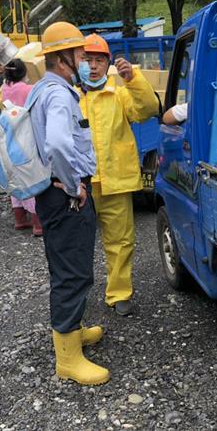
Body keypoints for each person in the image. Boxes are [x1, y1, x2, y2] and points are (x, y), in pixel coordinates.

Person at [29, 21, 108, 386]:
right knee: (73, 272)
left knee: (67, 263)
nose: (84, 61)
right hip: (65, 195)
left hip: (51, 192)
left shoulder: (42, 90)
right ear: (62, 58)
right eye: (79, 54)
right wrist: (75, 186)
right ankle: (68, 359)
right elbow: (59, 145)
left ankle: (72, 331)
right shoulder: (60, 95)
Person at [77, 34, 160, 316]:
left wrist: (133, 79)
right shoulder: (69, 97)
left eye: (99, 60)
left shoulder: (119, 93)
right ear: (77, 62)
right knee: (76, 244)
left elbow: (149, 109)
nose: (93, 66)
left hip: (115, 181)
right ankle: (75, 299)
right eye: (87, 60)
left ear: (107, 64)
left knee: (121, 241)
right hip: (80, 184)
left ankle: (119, 293)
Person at [1, 58, 42, 236]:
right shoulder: (29, 89)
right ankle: (38, 225)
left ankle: (20, 220)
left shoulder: (5, 89)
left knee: (15, 179)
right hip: (26, 138)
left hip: (9, 138)